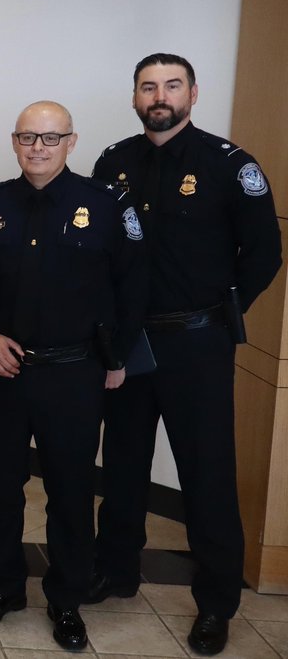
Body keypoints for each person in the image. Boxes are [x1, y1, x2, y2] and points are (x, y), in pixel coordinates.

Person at [89, 53, 281, 655]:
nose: (160, 95)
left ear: (194, 94)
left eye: (172, 85)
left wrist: (221, 311)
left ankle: (217, 602)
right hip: (129, 341)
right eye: (149, 86)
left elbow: (265, 253)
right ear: (135, 96)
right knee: (121, 462)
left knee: (207, 474)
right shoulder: (112, 163)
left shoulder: (231, 166)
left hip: (197, 341)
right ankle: (116, 570)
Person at [0, 101, 147, 651]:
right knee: (0, 490)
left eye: (50, 138)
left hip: (73, 375)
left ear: (71, 142)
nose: (37, 147)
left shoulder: (106, 204)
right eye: (27, 137)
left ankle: (66, 600)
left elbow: (131, 290)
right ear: (14, 141)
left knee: (69, 493)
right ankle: (4, 588)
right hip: (3, 373)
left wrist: (117, 361)